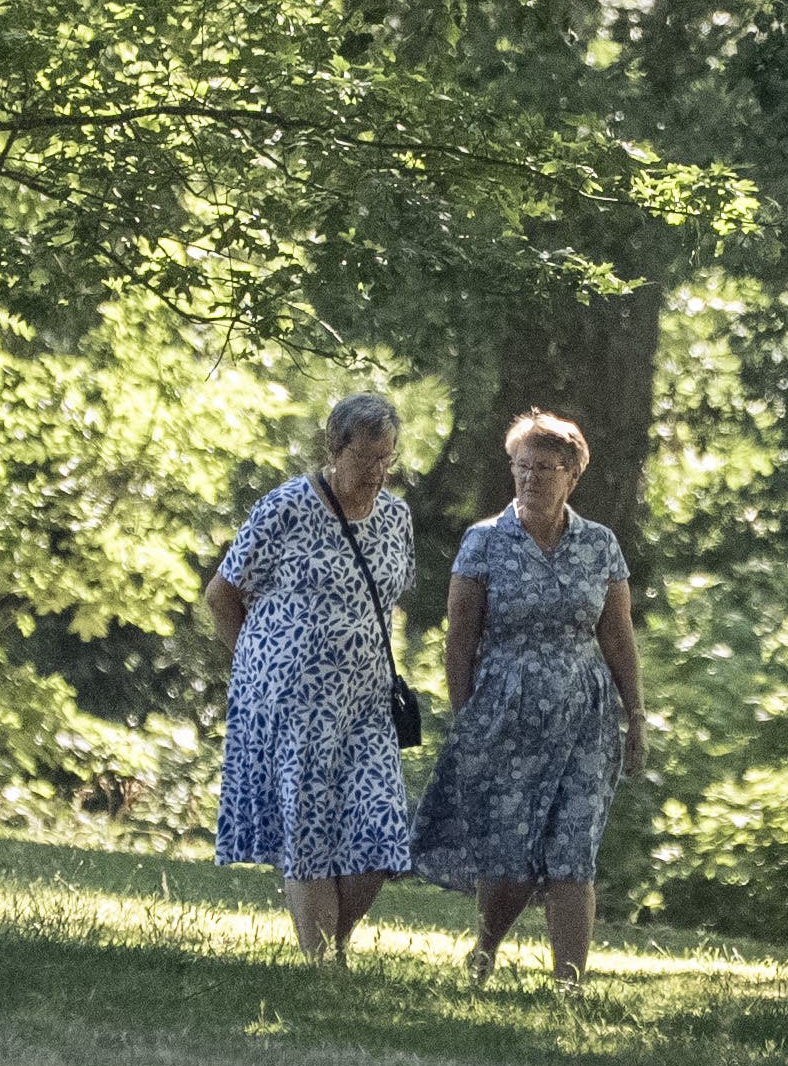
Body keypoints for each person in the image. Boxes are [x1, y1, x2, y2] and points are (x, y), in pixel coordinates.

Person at [414, 408, 644, 988]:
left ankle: (570, 984)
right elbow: (460, 637)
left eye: (545, 468)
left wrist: (635, 713)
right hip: (505, 711)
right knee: (510, 850)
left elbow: (617, 634)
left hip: (584, 716)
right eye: (522, 467)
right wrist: (464, 716)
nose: (531, 478)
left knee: (574, 850)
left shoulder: (600, 545)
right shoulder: (484, 541)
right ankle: (486, 951)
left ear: (572, 475)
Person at [206, 391, 418, 959]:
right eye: (366, 457)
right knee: (310, 836)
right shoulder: (286, 507)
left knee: (380, 838)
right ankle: (321, 965)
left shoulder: (397, 518)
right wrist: (258, 665)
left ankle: (328, 947)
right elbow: (222, 594)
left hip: (368, 705)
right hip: (292, 706)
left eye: (386, 459)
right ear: (334, 448)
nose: (377, 471)